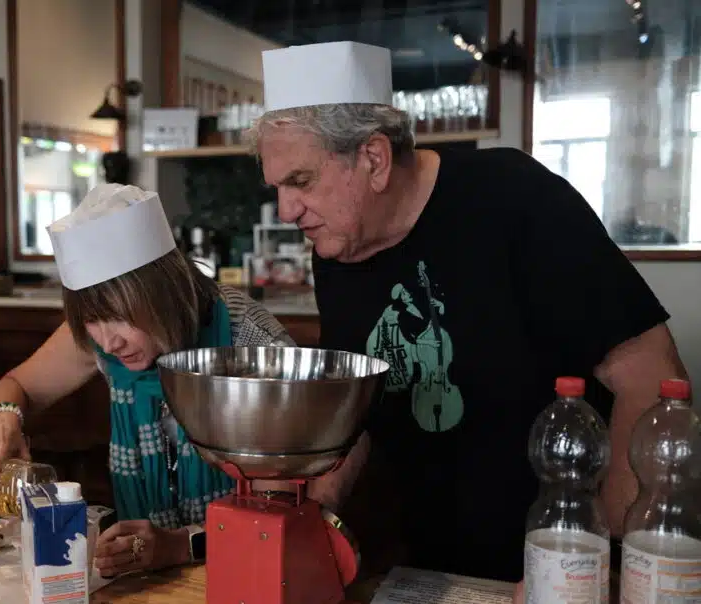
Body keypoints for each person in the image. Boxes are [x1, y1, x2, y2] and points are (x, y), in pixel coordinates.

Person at [247, 41, 686, 585]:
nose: (286, 211)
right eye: (277, 187)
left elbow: (650, 376)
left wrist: (609, 560)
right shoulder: (336, 247)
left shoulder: (515, 200)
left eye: (301, 182)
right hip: (420, 566)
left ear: (374, 159)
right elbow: (353, 408)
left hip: (551, 558)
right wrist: (317, 513)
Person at [0, 183, 294, 577]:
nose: (107, 342)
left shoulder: (252, 342)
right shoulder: (104, 341)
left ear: (166, 294)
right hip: (143, 573)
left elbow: (283, 512)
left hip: (246, 569)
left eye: (119, 316)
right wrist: (1, 420)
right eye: (91, 320)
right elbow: (18, 386)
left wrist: (180, 544)